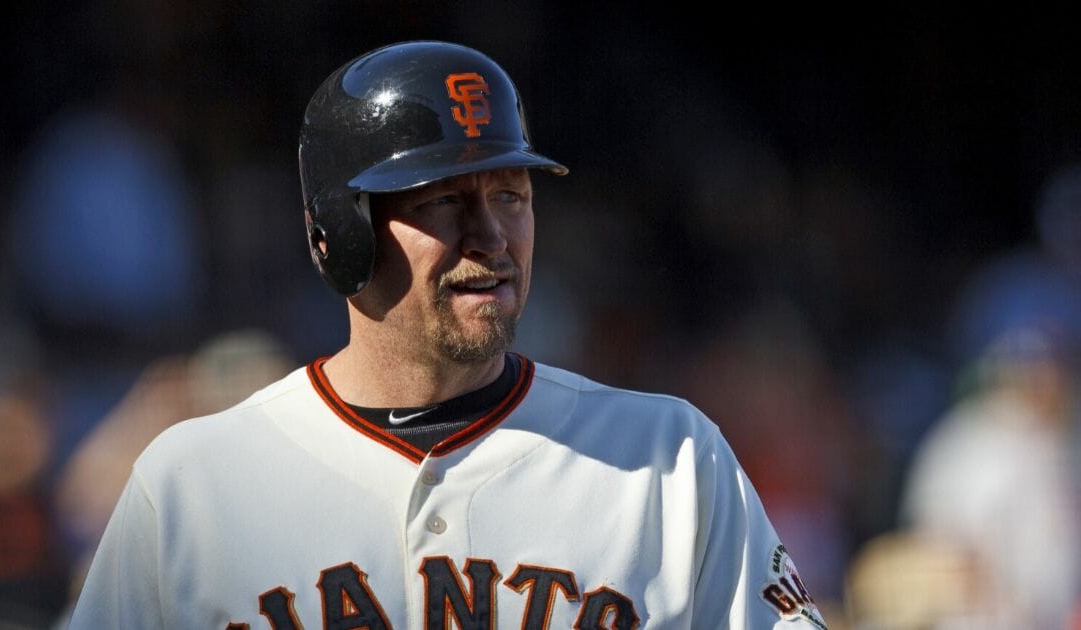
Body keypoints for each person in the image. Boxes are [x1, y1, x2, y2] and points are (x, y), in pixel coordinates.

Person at [68, 40, 829, 629]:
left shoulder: (670, 461)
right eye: (443, 202)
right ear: (340, 231)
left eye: (510, 195)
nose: (492, 236)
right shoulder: (193, 485)